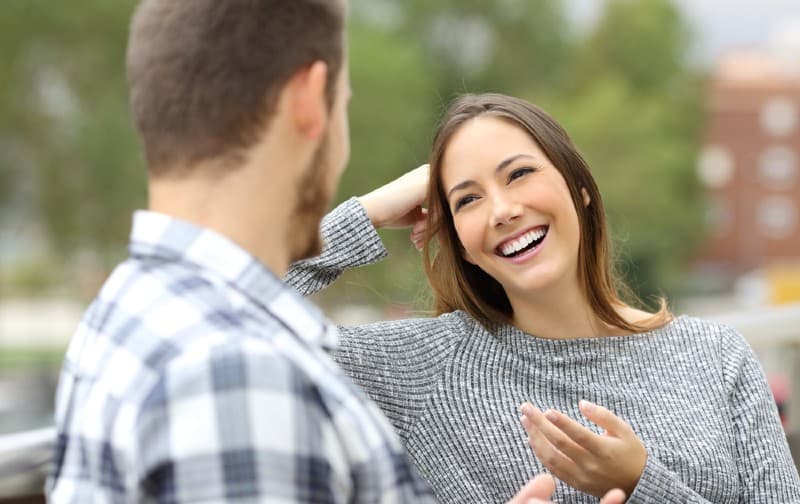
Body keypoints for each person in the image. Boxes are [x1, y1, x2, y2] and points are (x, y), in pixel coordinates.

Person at [46, 1, 626, 502]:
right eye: (344, 103)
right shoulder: (238, 375)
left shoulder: (129, 311)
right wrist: (361, 217)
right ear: (310, 100)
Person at [286, 93, 800, 503]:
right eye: (467, 199)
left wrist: (642, 483)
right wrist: (369, 212)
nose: (503, 209)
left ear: (578, 187)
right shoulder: (421, 370)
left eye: (519, 174)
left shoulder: (715, 357)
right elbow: (220, 308)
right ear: (459, 242)